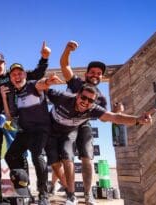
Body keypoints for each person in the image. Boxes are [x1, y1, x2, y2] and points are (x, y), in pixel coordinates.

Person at [36, 76, 154, 205]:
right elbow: (40, 87)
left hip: (68, 133)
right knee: (55, 164)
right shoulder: (63, 97)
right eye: (83, 97)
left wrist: (138, 119)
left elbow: (115, 117)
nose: (85, 102)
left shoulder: (93, 109)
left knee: (67, 158)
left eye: (90, 100)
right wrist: (46, 82)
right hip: (50, 131)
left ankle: (71, 196)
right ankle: (69, 191)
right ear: (77, 95)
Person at [0, 42, 51, 179]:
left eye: (0, 63)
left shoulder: (16, 75)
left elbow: (37, 73)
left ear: (4, 63)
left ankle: (23, 185)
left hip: (13, 118)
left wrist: (44, 58)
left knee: (18, 152)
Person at [59, 40, 108, 205]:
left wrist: (120, 112)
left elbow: (105, 117)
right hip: (66, 125)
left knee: (87, 158)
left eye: (99, 73)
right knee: (67, 158)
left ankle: (88, 195)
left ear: (102, 77)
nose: (95, 75)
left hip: (84, 125)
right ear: (86, 74)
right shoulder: (77, 83)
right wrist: (67, 50)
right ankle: (70, 195)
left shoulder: (101, 97)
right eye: (92, 72)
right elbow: (65, 66)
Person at [1, 64, 51, 204]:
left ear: (25, 75)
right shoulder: (13, 94)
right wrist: (4, 97)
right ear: (11, 78)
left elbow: (41, 84)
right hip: (25, 131)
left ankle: (43, 194)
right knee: (10, 155)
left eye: (20, 73)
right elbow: (10, 117)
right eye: (13, 75)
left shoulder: (32, 85)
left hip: (40, 129)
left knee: (37, 156)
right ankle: (24, 189)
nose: (17, 76)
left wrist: (47, 82)